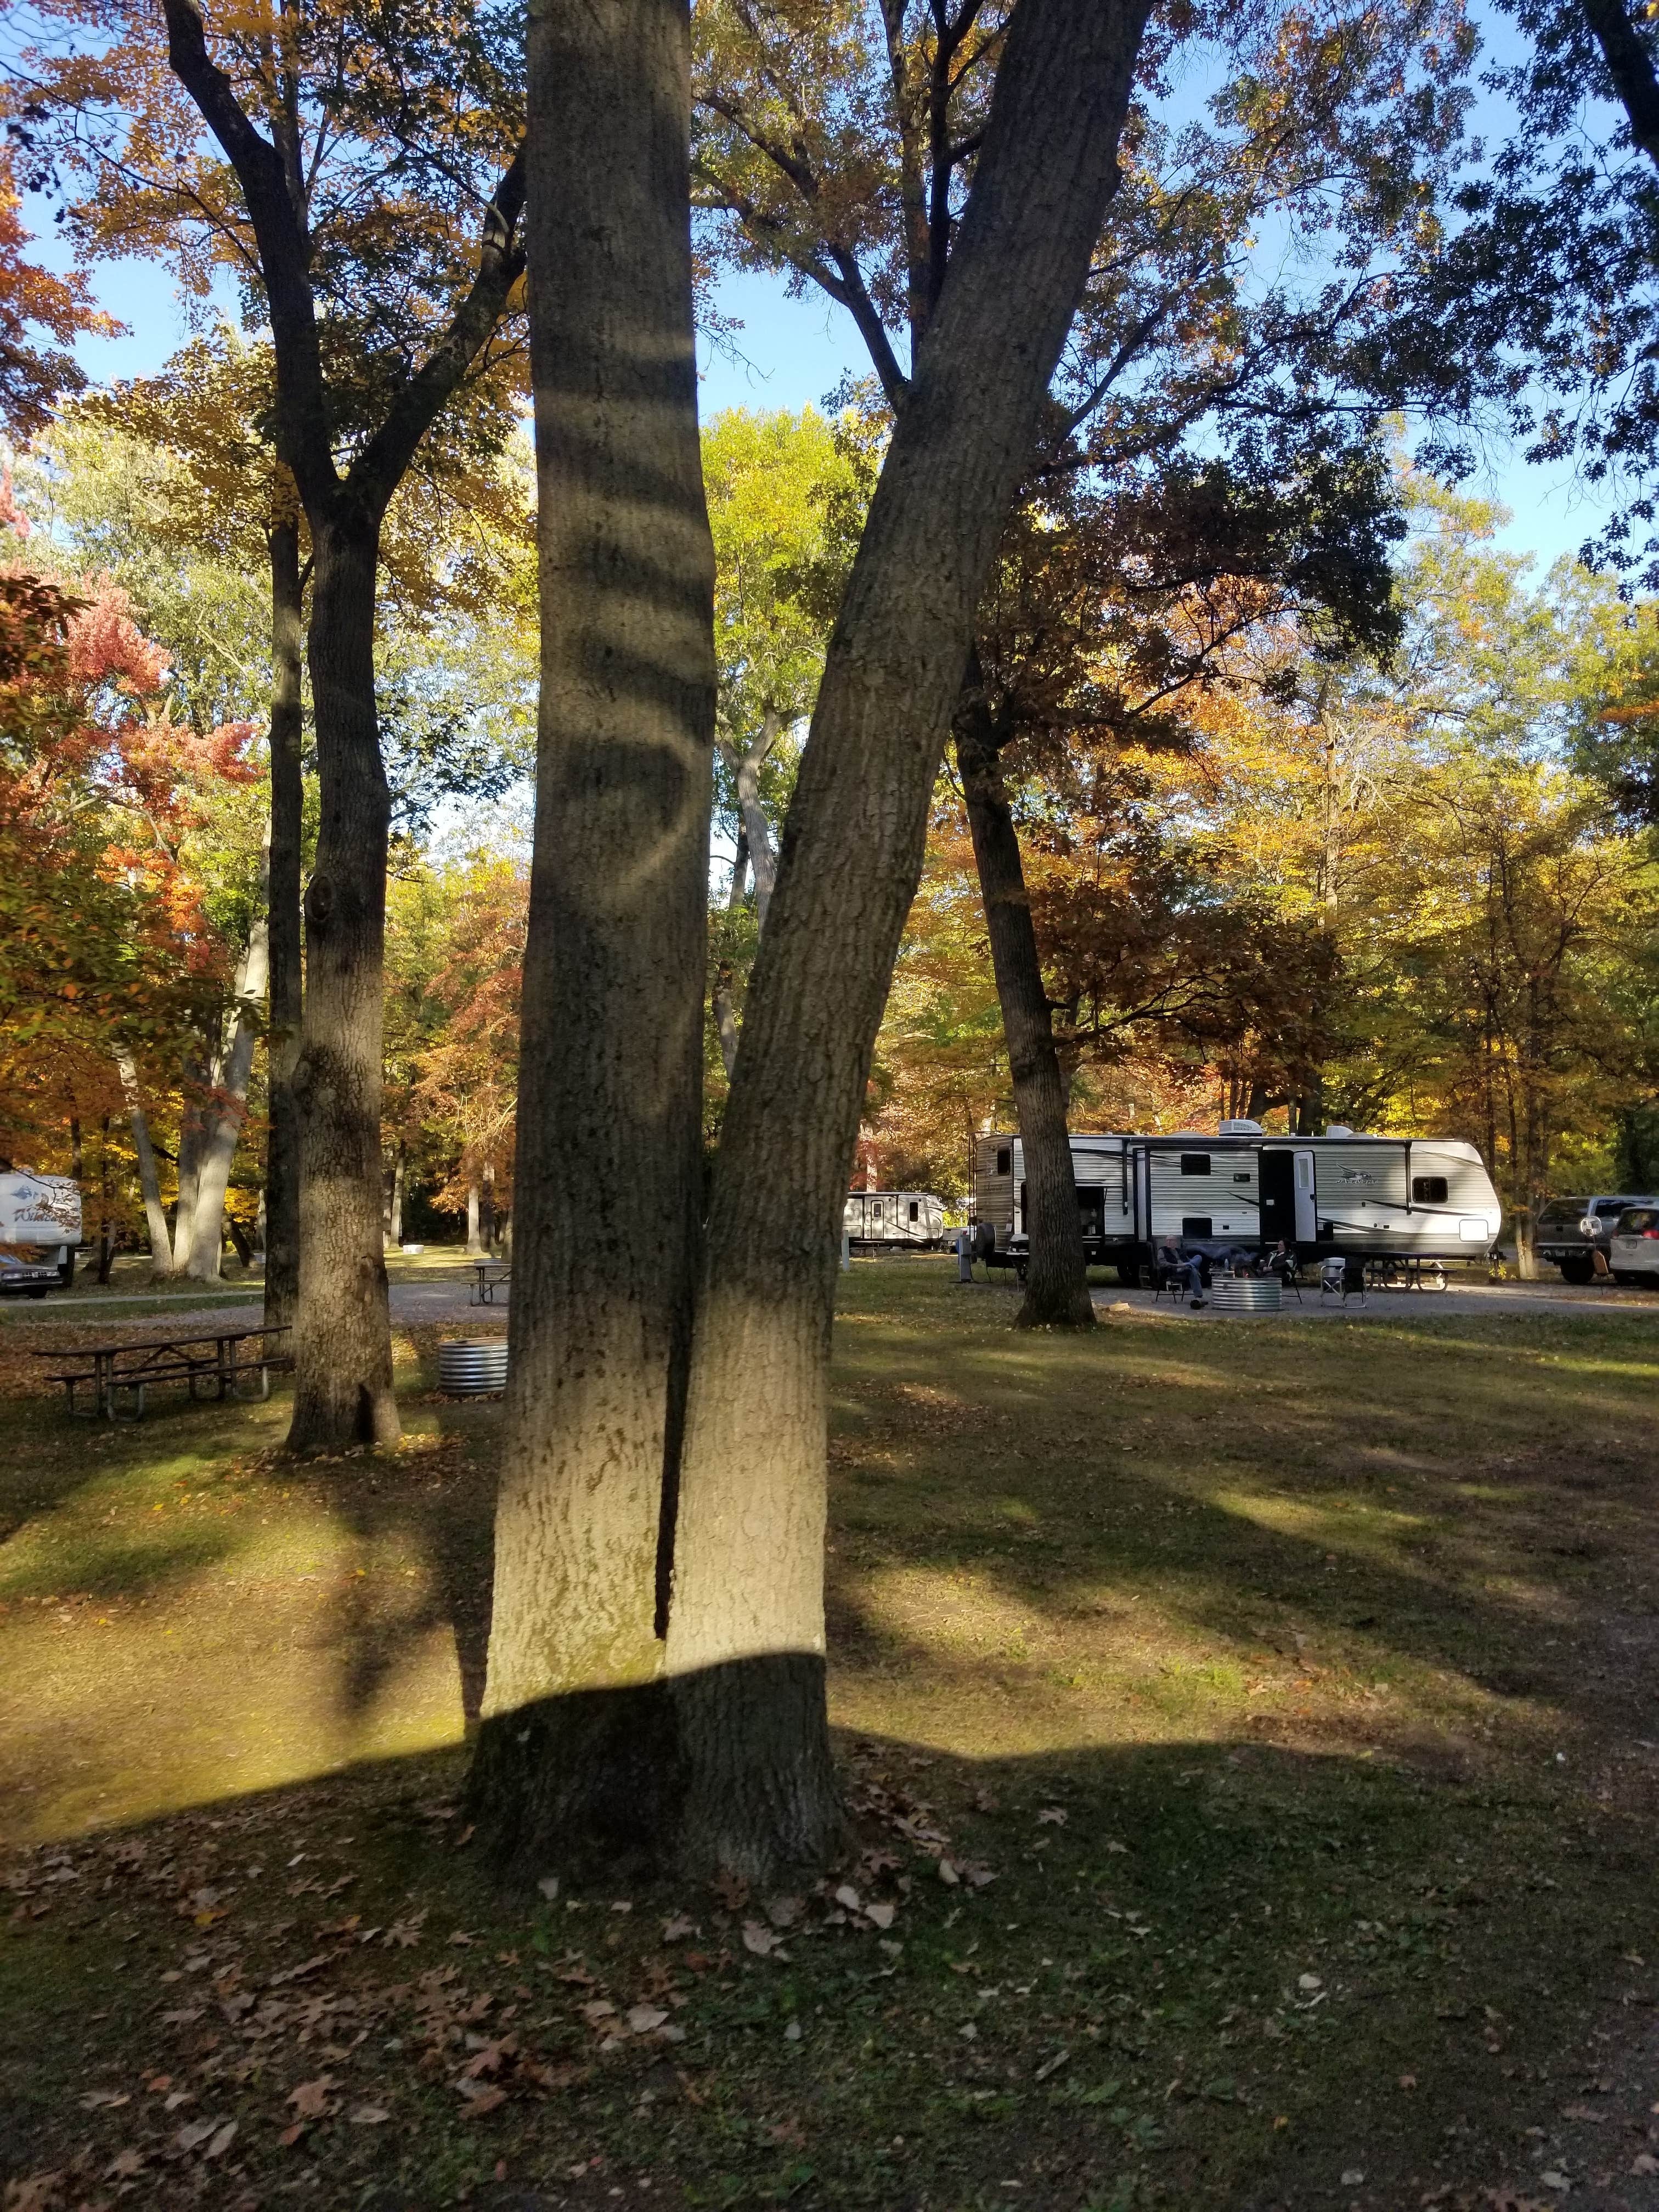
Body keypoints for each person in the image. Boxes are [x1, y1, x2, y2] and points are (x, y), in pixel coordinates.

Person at [1155, 1232, 1205, 1307]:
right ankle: (1198, 1297)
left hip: (1185, 1267)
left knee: (1198, 1257)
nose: (1168, 1242)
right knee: (1193, 1270)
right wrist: (1176, 1265)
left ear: (1175, 1242)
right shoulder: (1163, 1251)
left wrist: (1188, 1264)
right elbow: (1162, 1263)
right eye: (1167, 1240)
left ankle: (1189, 1266)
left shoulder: (1180, 1251)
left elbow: (1189, 1260)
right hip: (1174, 1270)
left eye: (1171, 1240)